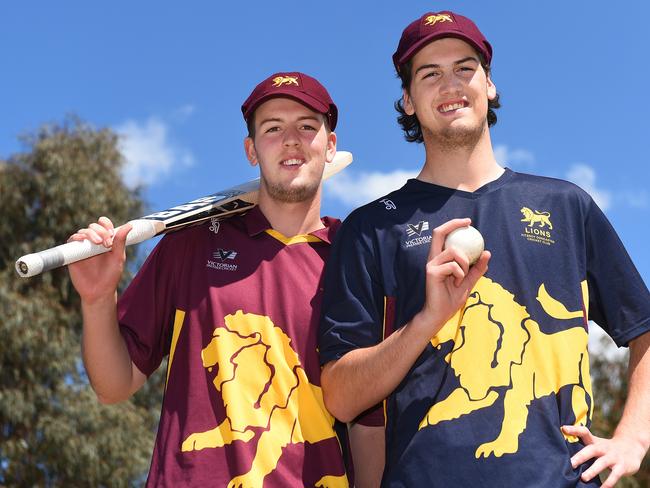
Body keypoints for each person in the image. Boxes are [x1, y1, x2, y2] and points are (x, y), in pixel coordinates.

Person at [319, 10, 650, 488]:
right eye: (429, 74)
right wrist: (429, 319)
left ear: (489, 85)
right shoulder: (371, 227)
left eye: (464, 68)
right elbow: (342, 399)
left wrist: (633, 439)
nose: (450, 84)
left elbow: (642, 325)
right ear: (408, 100)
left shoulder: (565, 204)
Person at [68, 71, 355, 487]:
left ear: (330, 146)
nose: (291, 139)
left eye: (307, 126)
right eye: (273, 128)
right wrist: (97, 300)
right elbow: (113, 385)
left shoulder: (354, 256)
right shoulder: (193, 242)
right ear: (251, 151)